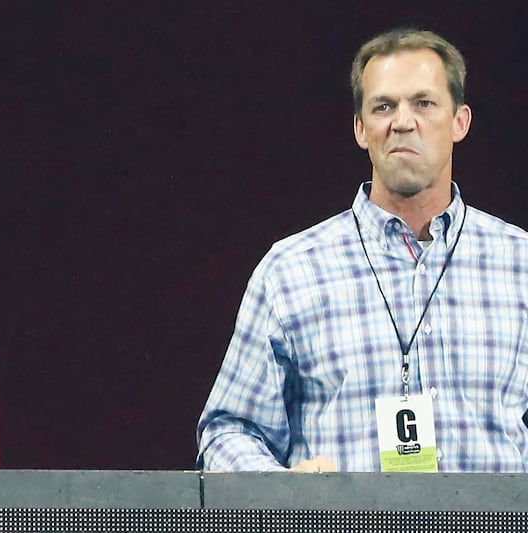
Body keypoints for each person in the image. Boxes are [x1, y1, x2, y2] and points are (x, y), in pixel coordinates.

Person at [197, 28, 528, 472]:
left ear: (460, 122)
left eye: (424, 103)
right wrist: (281, 491)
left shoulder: (519, 264)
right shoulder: (291, 272)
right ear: (361, 128)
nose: (403, 121)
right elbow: (227, 430)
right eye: (383, 106)